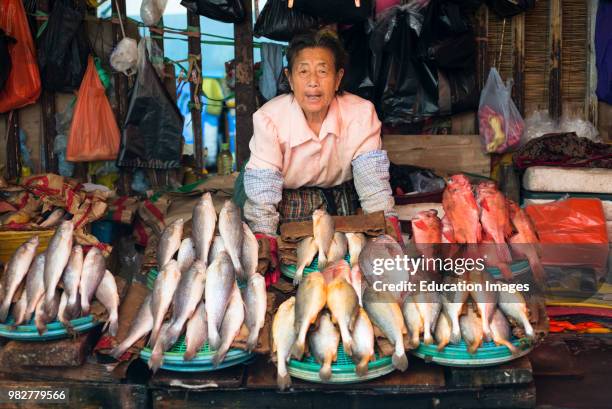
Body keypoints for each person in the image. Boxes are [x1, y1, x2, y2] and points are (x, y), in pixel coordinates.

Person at [242, 29, 401, 281]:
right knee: (290, 273)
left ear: (338, 79)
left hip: (340, 199)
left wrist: (387, 225)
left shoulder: (360, 113)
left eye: (323, 71)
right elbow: (263, 190)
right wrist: (263, 235)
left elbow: (372, 184)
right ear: (290, 79)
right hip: (287, 201)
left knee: (347, 269)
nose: (313, 82)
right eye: (303, 71)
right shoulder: (269, 118)